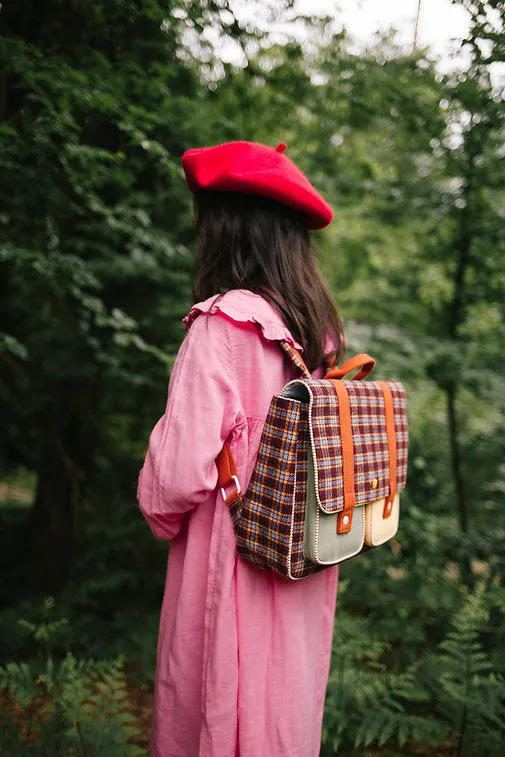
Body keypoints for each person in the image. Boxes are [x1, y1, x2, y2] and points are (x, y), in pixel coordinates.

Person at [137, 140, 344, 757]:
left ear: (226, 228)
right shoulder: (315, 331)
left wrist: (157, 511)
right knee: (282, 710)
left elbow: (175, 476)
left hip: (231, 564)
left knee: (217, 708)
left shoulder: (222, 324)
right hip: (303, 557)